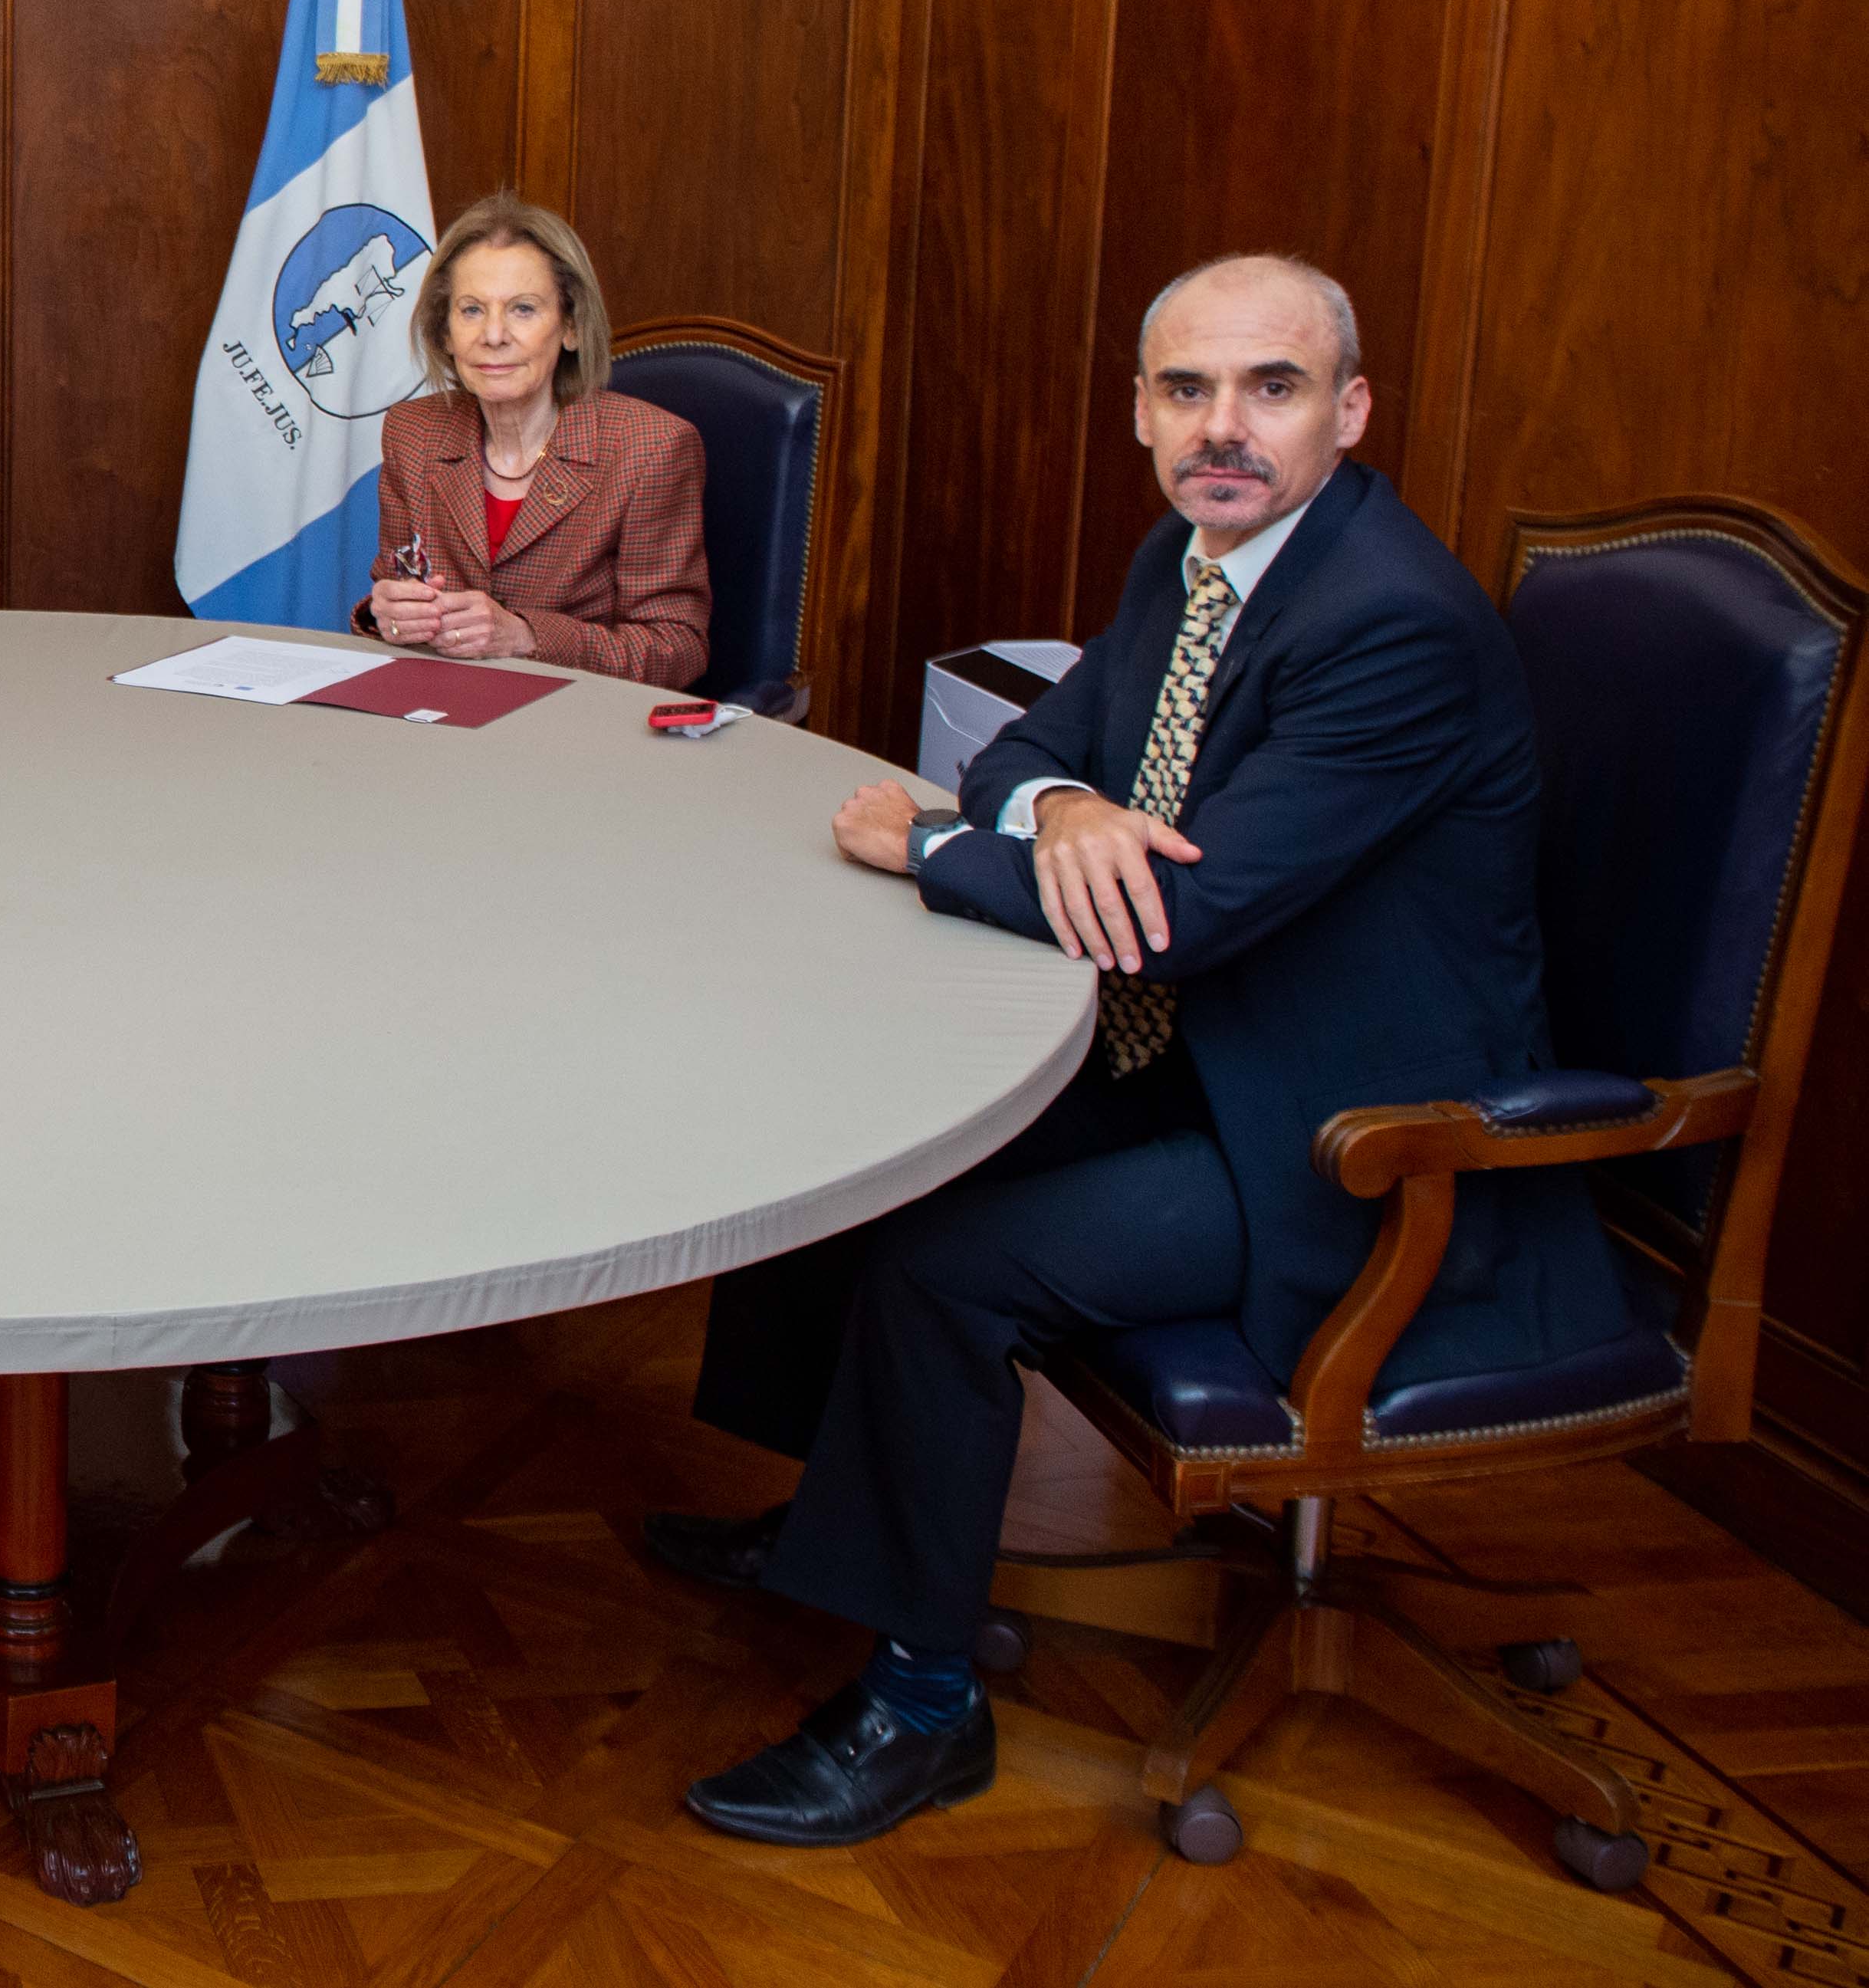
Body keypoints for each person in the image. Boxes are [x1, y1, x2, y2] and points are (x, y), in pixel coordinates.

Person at [651, 254, 1628, 1847]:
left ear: (1351, 410)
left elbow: (1183, 919)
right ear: (1139, 412)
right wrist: (1062, 807)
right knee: (846, 1124)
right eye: (1187, 390)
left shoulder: (1391, 625)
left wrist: (932, 848)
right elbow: (1045, 743)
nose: (1222, 428)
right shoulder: (1194, 559)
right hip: (1208, 1065)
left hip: (1359, 1141)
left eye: (1273, 386)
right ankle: (839, 1526)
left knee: (948, 1260)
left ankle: (919, 1706)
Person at [359, 195, 710, 687]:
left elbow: (677, 648)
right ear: (445, 333)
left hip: (580, 728)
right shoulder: (412, 433)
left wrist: (525, 636)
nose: (494, 335)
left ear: (569, 327)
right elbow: (394, 594)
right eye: (472, 310)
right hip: (438, 714)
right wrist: (390, 615)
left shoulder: (650, 448)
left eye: (523, 309)